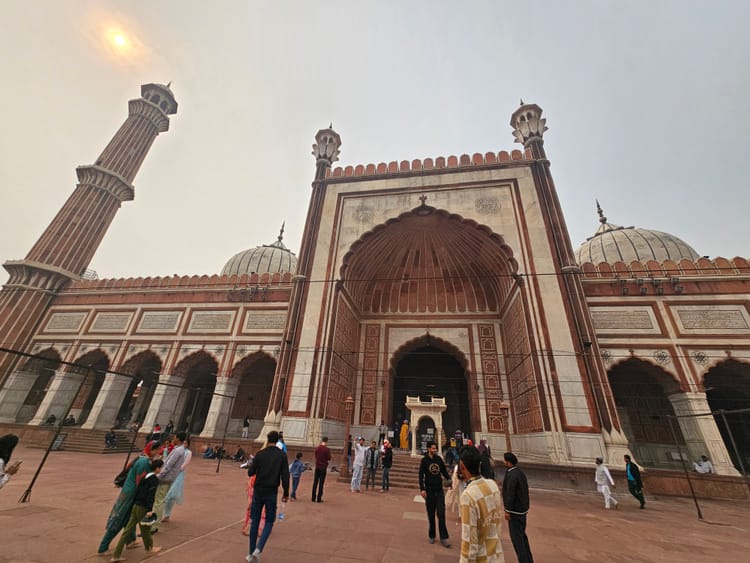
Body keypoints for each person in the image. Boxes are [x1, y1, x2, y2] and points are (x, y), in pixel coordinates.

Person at [97, 440, 164, 555]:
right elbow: (141, 482)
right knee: (120, 519)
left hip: (129, 491)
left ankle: (130, 540)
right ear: (152, 449)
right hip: (131, 493)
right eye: (157, 450)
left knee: (129, 518)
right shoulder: (144, 462)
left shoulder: (142, 458)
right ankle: (103, 547)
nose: (158, 452)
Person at [246, 430, 290, 563]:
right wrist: (286, 493)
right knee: (269, 521)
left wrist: (254, 465)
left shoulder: (260, 454)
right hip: (271, 492)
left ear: (267, 439)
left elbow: (250, 472)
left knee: (255, 521)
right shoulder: (281, 455)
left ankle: (251, 553)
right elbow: (285, 476)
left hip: (258, 491)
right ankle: (258, 549)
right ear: (277, 440)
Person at [109, 458, 164, 562]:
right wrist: (149, 509)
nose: (161, 469)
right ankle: (149, 548)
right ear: (157, 468)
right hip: (142, 507)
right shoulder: (154, 480)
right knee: (146, 529)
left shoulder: (145, 477)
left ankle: (116, 555)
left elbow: (138, 491)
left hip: (136, 505)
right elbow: (151, 496)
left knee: (128, 531)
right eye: (160, 468)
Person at [459, 445, 504, 562]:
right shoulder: (493, 485)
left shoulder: (468, 496)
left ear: (462, 466)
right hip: (496, 556)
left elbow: (469, 543)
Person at [151, 432, 188, 532]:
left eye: (175, 437)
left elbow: (168, 465)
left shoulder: (178, 451)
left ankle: (154, 525)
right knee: (160, 500)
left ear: (178, 439)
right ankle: (155, 523)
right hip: (169, 478)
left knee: (158, 501)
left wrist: (159, 476)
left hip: (165, 478)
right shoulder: (179, 449)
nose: (173, 439)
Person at [419, 440, 452, 548]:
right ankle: (432, 535)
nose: (435, 450)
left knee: (441, 514)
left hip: (439, 491)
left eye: (435, 448)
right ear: (428, 449)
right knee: (431, 514)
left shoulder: (439, 459)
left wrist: (449, 480)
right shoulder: (424, 461)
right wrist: (422, 489)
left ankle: (444, 537)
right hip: (429, 491)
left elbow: (443, 471)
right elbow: (420, 475)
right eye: (433, 448)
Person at [501, 452, 533, 563]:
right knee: (522, 537)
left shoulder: (512, 475)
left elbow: (510, 493)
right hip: (522, 510)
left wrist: (507, 510)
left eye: (504, 460)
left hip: (514, 511)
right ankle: (529, 560)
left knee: (517, 540)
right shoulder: (520, 472)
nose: (503, 462)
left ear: (508, 462)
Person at [163, 438, 193, 522]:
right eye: (183, 443)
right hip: (171, 472)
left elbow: (185, 463)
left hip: (179, 474)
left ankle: (167, 514)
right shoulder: (177, 450)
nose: (184, 445)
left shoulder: (188, 452)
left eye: (186, 443)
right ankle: (165, 514)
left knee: (171, 494)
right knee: (166, 492)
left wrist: (177, 469)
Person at [312, 436, 331, 502]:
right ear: (326, 441)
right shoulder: (327, 449)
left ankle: (313, 497)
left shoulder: (318, 448)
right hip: (323, 467)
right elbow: (329, 458)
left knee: (315, 482)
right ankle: (319, 498)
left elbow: (316, 455)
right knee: (321, 483)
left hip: (317, 466)